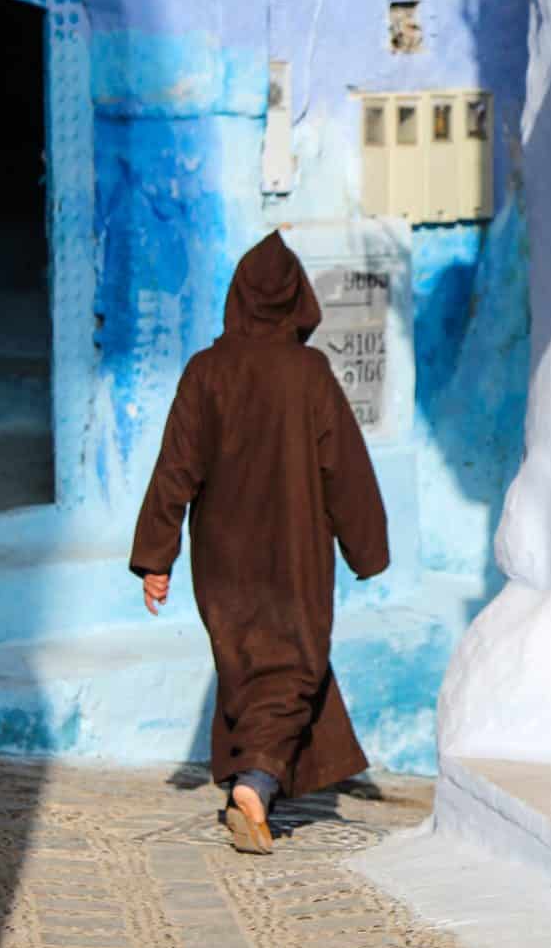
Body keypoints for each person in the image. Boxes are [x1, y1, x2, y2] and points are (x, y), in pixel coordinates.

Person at [130, 230, 390, 855]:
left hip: (220, 555)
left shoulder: (204, 373)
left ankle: (254, 781)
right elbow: (344, 468)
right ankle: (256, 783)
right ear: (298, 299)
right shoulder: (310, 375)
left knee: (248, 664)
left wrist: (156, 558)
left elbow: (175, 469)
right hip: (293, 551)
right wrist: (366, 548)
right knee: (293, 663)